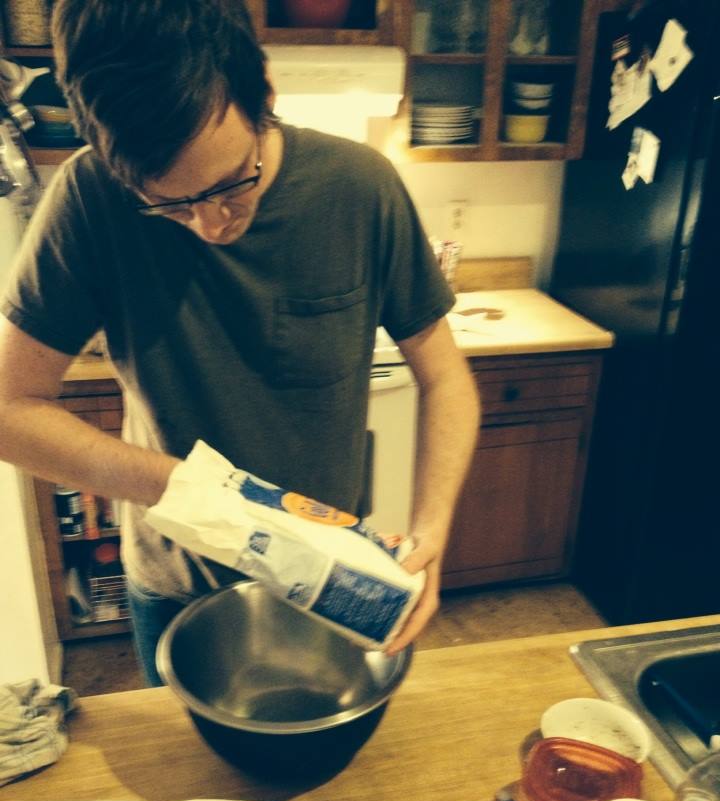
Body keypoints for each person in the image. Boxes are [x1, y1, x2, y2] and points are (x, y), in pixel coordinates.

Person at [0, 0, 480, 686]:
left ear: (265, 91)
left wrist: (431, 531)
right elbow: (10, 409)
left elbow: (446, 378)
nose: (210, 224)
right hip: (175, 582)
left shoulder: (360, 188)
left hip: (326, 578)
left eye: (233, 184)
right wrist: (184, 488)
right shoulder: (90, 197)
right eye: (170, 204)